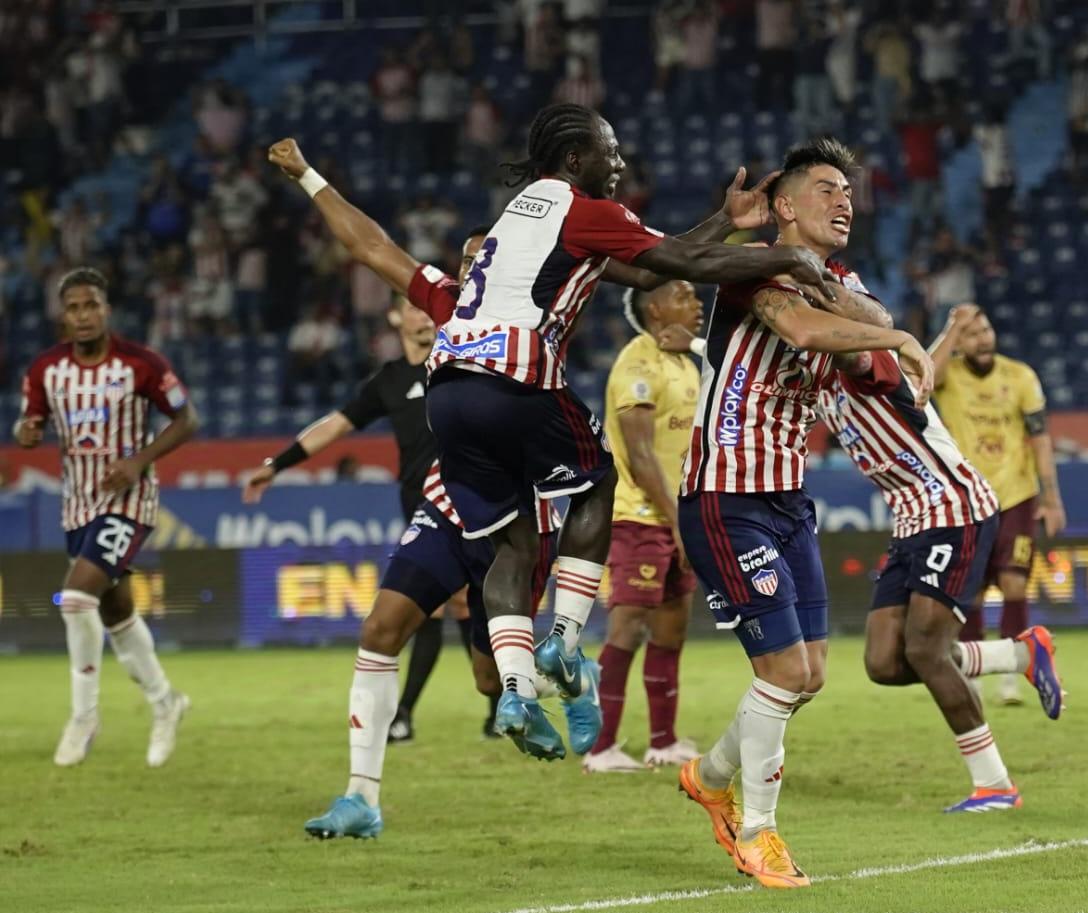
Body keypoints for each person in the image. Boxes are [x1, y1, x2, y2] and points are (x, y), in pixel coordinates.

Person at [422, 103, 834, 760]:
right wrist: (786, 255)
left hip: (447, 390)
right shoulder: (586, 210)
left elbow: (648, 270)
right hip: (514, 377)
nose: (620, 163)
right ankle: (561, 637)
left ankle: (517, 687)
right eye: (610, 151)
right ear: (578, 159)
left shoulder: (521, 214)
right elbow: (679, 265)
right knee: (600, 477)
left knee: (514, 545)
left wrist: (728, 219)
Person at [263, 139, 595, 839]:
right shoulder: (447, 303)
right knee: (380, 628)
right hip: (447, 503)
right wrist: (309, 176)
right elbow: (370, 244)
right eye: (470, 259)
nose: (477, 267)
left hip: (517, 517)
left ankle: (552, 679)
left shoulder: (540, 310)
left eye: (487, 257)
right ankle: (361, 797)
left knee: (487, 680)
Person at [676, 137, 935, 889]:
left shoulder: (838, 282)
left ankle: (710, 774)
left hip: (786, 498)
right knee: (784, 670)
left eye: (848, 190)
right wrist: (893, 333)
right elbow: (809, 331)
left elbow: (863, 366)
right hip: (726, 492)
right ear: (784, 205)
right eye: (826, 188)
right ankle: (757, 832)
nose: (844, 200)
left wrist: (872, 335)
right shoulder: (755, 267)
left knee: (810, 673)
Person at [243, 215, 497, 744]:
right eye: (412, 308)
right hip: (420, 506)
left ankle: (477, 703)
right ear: (395, 318)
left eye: (426, 307)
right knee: (433, 611)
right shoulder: (389, 381)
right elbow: (335, 425)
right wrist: (277, 463)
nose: (423, 317)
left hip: (474, 502)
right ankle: (424, 711)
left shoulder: (463, 356)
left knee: (466, 609)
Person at [818, 334, 1063, 813]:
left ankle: (995, 785)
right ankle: (1018, 654)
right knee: (884, 663)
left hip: (953, 509)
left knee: (927, 651)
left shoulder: (859, 360)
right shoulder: (814, 381)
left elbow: (855, 347)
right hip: (909, 520)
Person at [15, 267, 200, 768]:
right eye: (73, 307)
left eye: (91, 305)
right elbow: (29, 421)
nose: (82, 315)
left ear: (106, 309)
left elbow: (187, 418)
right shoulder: (45, 370)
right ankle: (166, 703)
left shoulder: (141, 363)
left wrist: (141, 459)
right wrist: (25, 432)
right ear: (62, 315)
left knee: (75, 599)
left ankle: (84, 716)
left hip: (129, 500)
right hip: (77, 505)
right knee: (115, 610)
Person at [584, 281, 705, 773]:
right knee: (627, 627)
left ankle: (663, 741)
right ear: (656, 308)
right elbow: (638, 454)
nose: (697, 304)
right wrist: (677, 523)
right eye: (685, 296)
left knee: (672, 627)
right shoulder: (637, 363)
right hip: (638, 516)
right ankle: (601, 746)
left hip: (677, 515)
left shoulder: (683, 360)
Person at [929, 305, 1066, 705]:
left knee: (1014, 583)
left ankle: (1012, 674)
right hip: (969, 497)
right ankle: (973, 679)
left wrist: (1052, 498)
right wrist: (951, 329)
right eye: (972, 334)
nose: (983, 338)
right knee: (970, 592)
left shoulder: (1020, 376)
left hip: (1017, 495)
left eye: (985, 329)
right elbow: (923, 375)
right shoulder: (949, 375)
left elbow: (1040, 438)